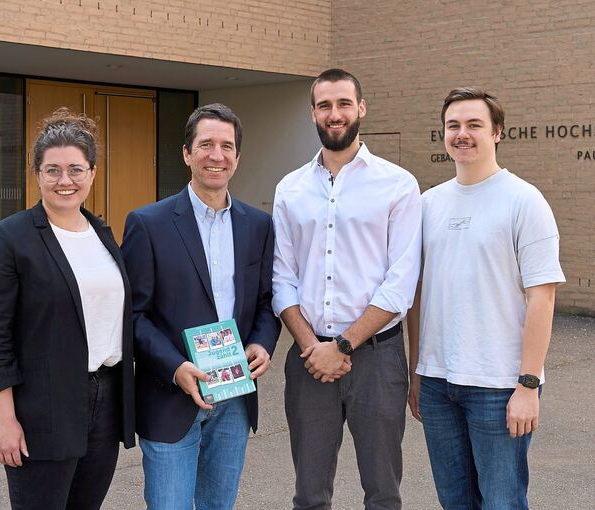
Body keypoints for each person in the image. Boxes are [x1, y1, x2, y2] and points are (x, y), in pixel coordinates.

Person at [407, 87, 565, 509]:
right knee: (455, 500)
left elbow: (542, 298)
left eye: (474, 124)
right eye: (453, 125)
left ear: (497, 132)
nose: (462, 134)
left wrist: (528, 384)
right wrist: (417, 370)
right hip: (438, 383)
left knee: (502, 501)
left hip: (499, 386)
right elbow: (419, 295)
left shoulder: (524, 201)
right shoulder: (427, 204)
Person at [272, 68, 422, 510]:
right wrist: (313, 347)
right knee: (310, 494)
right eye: (324, 105)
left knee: (382, 492)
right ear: (313, 113)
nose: (334, 114)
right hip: (308, 360)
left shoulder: (398, 184)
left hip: (377, 360)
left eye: (343, 104)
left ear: (361, 108)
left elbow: (401, 283)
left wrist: (342, 345)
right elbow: (283, 278)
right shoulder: (290, 189)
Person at [122, 103, 280, 510]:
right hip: (170, 396)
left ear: (238, 158)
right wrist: (175, 367)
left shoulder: (257, 225)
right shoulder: (148, 223)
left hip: (233, 398)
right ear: (187, 154)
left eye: (226, 146)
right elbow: (133, 316)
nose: (217, 155)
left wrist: (263, 344)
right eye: (206, 144)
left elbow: (266, 302)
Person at [0, 108, 135, 510]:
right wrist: (4, 420)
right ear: (36, 173)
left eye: (75, 169)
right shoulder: (9, 237)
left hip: (105, 401)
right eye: (52, 170)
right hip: (41, 407)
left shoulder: (102, 233)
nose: (64, 181)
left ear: (92, 172)